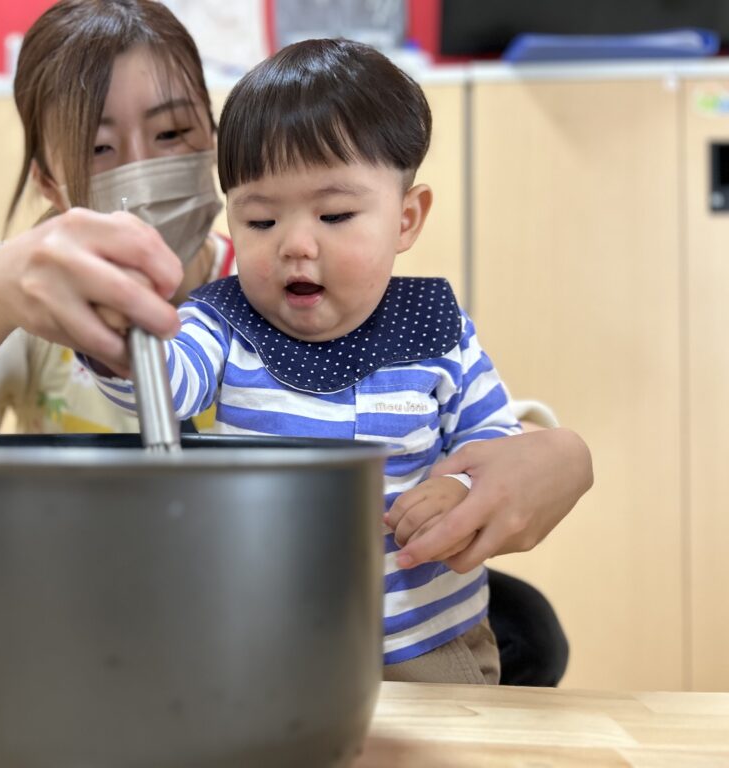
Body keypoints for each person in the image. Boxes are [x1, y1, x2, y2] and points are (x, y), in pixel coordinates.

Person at [0, 0, 590, 682]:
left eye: (172, 132)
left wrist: (548, 454)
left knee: (521, 626)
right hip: (115, 644)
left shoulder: (279, 280)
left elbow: (429, 415)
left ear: (216, 138)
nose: (141, 169)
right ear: (50, 182)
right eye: (99, 148)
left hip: (317, 635)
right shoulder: (22, 297)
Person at [83, 37, 561, 684]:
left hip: (425, 648)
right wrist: (118, 339)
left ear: (406, 218)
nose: (296, 245)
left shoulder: (438, 331)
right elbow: (166, 386)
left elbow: (494, 445)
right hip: (266, 650)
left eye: (335, 215)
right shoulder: (221, 322)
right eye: (260, 222)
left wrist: (462, 491)